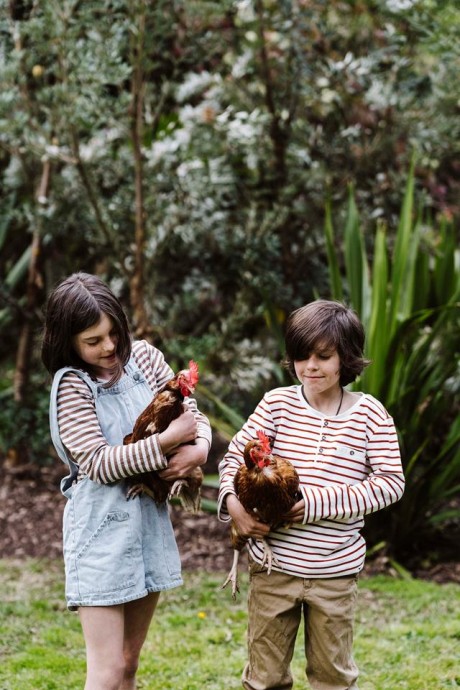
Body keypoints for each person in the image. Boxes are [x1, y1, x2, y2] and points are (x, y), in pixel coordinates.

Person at [218, 299, 405, 690]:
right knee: (264, 678)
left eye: (323, 356)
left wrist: (315, 506)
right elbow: (235, 455)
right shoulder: (277, 404)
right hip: (274, 567)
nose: (310, 367)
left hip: (334, 572)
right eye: (301, 357)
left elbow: (391, 482)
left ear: (347, 358)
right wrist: (233, 506)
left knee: (333, 678)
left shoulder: (370, 415)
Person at [41, 272, 211, 690]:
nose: (110, 346)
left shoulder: (147, 359)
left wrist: (200, 447)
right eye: (93, 340)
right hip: (100, 531)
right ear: (68, 341)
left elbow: (193, 414)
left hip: (147, 524)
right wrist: (169, 442)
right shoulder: (71, 387)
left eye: (113, 333)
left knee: (129, 664)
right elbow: (99, 462)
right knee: (107, 669)